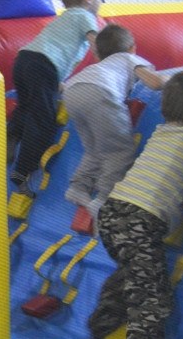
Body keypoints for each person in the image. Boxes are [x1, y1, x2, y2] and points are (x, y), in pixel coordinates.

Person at [87, 70, 183, 339]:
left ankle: (100, 324)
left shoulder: (162, 132)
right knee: (152, 302)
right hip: (139, 220)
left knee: (133, 272)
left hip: (112, 214)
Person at [7, 0, 100, 198]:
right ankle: (22, 171)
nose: (101, 0)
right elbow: (97, 44)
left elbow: (52, 56)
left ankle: (12, 136)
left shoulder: (64, 19)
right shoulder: (85, 16)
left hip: (24, 60)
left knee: (26, 108)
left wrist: (58, 84)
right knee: (43, 120)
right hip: (43, 65)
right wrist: (112, 65)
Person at [62, 24, 169, 222]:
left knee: (94, 150)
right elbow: (154, 82)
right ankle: (104, 200)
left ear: (99, 55)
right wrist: (172, 79)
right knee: (119, 151)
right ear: (132, 48)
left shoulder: (99, 66)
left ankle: (78, 187)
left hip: (72, 91)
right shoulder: (128, 58)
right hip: (100, 91)